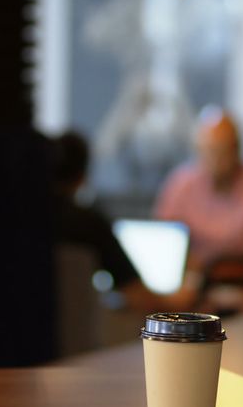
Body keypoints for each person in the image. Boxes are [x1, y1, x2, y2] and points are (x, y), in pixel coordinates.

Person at [155, 107, 243, 313]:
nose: (213, 160)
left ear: (237, 148)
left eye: (221, 151)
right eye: (206, 151)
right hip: (189, 293)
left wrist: (208, 270)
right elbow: (164, 245)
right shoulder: (180, 184)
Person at [51, 131, 162, 312]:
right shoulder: (88, 224)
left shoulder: (14, 219)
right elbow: (136, 293)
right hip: (78, 332)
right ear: (82, 178)